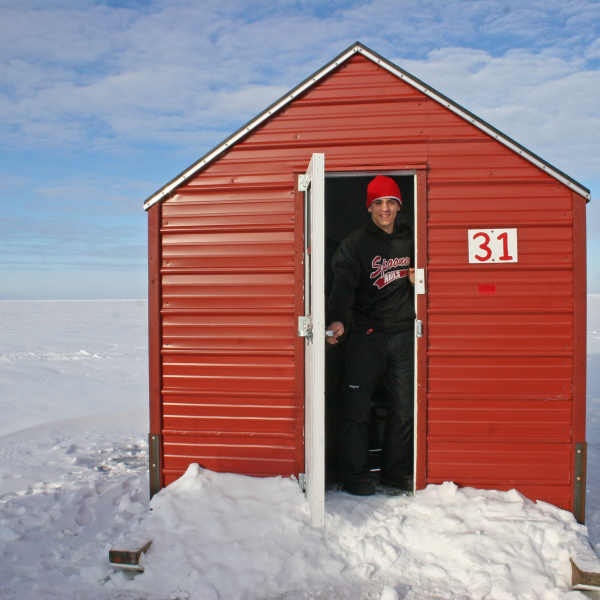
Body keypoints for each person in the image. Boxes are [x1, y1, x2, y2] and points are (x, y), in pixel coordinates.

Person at [326, 175, 415, 496]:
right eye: (378, 203)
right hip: (366, 336)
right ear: (369, 207)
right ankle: (356, 476)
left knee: (404, 409)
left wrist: (417, 279)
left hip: (404, 336)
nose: (385, 208)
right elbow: (342, 287)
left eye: (391, 202)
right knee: (357, 410)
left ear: (399, 206)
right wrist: (337, 320)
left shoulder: (410, 240)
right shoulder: (356, 243)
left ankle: (395, 473)